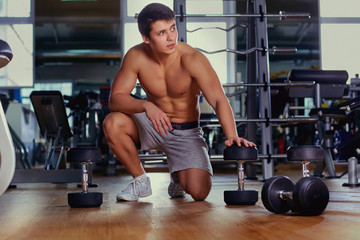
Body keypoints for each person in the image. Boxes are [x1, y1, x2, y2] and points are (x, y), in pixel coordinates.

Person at [103, 3, 256, 202]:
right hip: (153, 125)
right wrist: (146, 105)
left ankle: (178, 175)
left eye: (172, 28)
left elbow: (218, 99)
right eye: (161, 33)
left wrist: (232, 135)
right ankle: (141, 181)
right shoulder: (135, 56)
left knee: (199, 192)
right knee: (112, 122)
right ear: (146, 38)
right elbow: (115, 99)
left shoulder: (192, 59)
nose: (171, 37)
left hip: (186, 132)